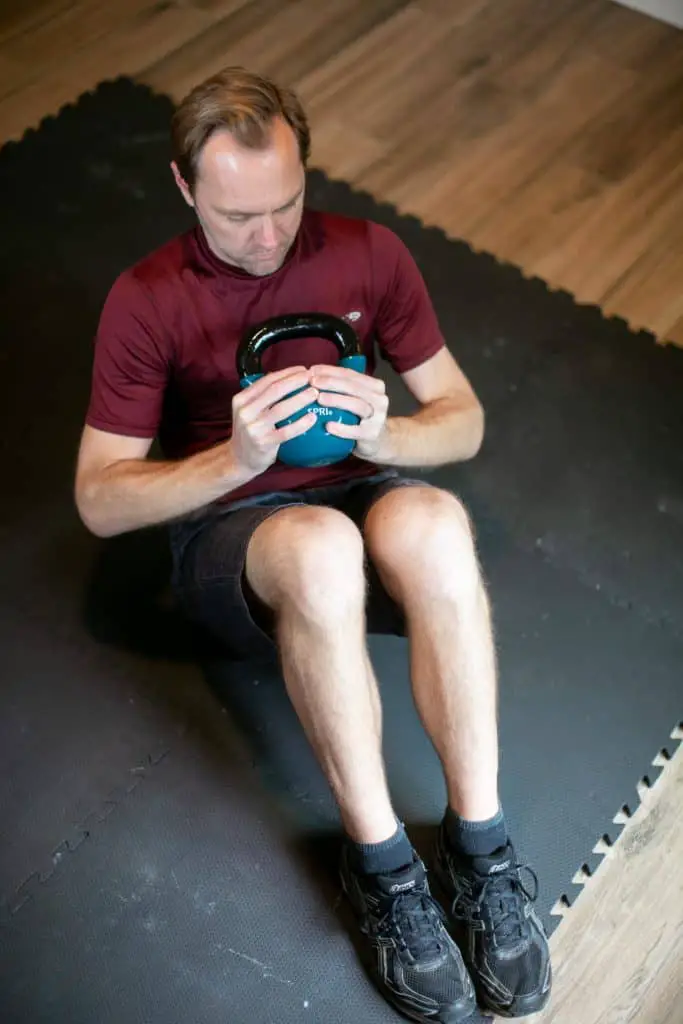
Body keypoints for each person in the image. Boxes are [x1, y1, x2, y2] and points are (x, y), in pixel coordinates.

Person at [74, 66, 552, 1022]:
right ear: (183, 186)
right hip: (236, 531)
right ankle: (382, 869)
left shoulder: (370, 255)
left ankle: (480, 848)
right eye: (236, 215)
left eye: (285, 206)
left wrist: (385, 435)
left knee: (435, 521)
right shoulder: (145, 299)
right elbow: (98, 501)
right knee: (321, 549)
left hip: (363, 486)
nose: (266, 238)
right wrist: (231, 457)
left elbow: (461, 422)